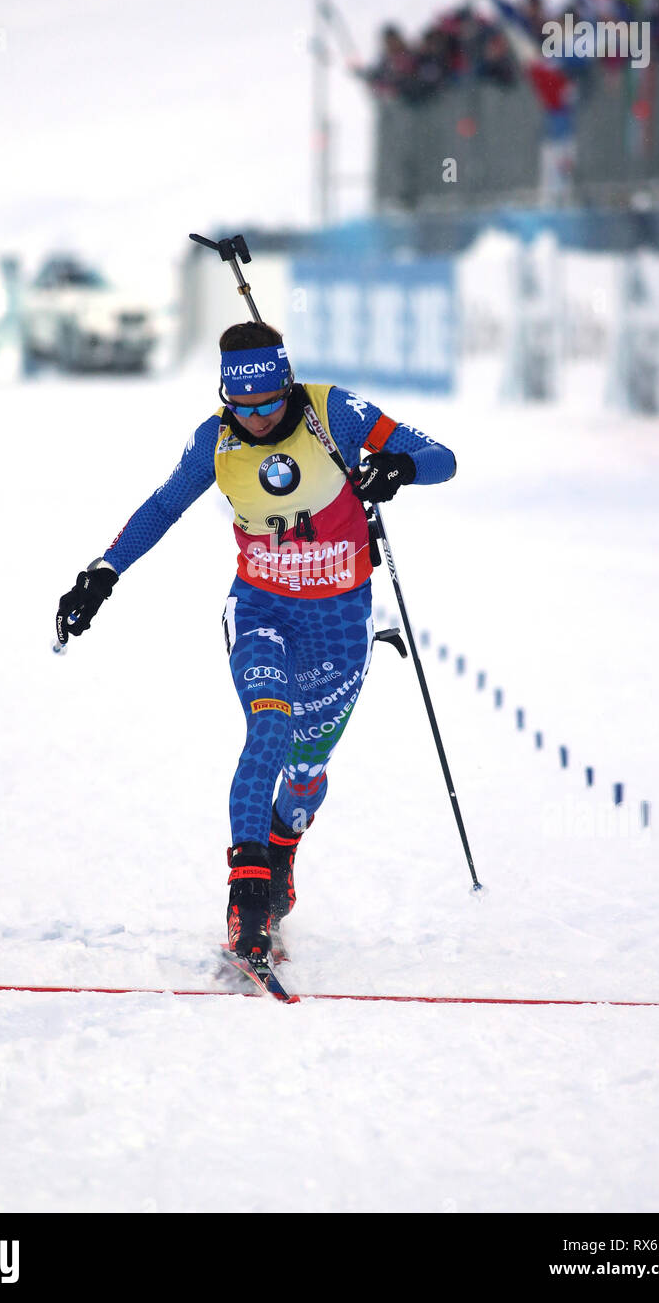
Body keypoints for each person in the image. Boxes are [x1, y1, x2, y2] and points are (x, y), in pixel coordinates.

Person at [56, 322, 456, 961]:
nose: (257, 419)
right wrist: (102, 573)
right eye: (241, 407)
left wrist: (398, 467)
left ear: (287, 386)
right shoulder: (215, 440)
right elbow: (161, 508)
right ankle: (247, 901)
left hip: (339, 622)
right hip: (261, 609)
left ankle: (283, 848)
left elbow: (444, 458)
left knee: (304, 775)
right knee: (267, 731)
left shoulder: (335, 413)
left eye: (269, 405)